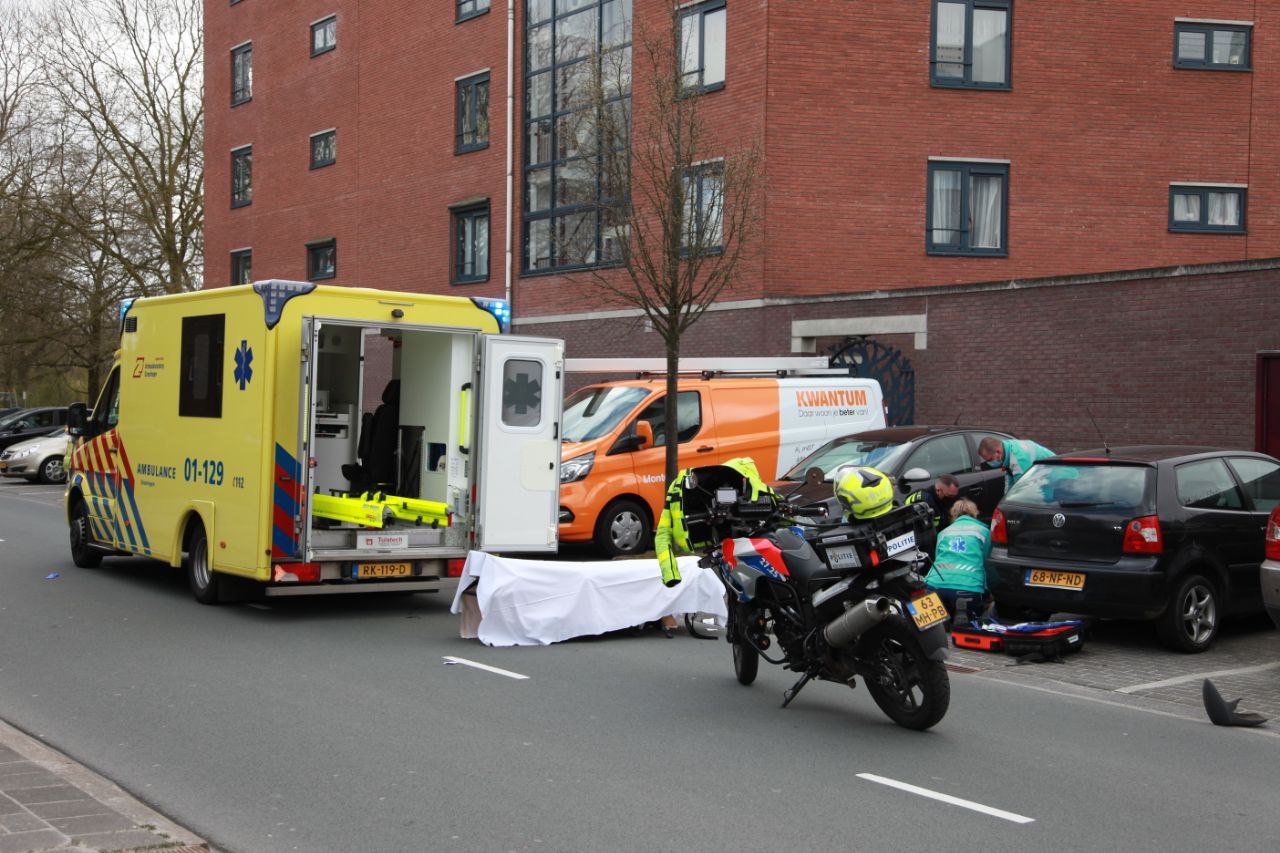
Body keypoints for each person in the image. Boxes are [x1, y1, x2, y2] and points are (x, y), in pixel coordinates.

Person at [655, 457, 775, 634]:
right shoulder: (684, 489)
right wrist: (670, 574)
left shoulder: (762, 492)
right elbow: (662, 534)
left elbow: (662, 535)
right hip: (729, 544)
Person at [924, 499, 991, 625]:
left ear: (953, 515)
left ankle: (942, 621)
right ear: (975, 514)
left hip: (935, 585)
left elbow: (937, 558)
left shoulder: (943, 533)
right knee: (973, 623)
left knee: (935, 626)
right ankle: (965, 613)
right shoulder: (984, 532)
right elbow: (988, 564)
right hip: (968, 586)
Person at [977, 436, 1055, 491]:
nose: (989, 463)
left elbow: (1021, 489)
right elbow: (1009, 479)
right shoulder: (1005, 448)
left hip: (1054, 474)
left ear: (998, 452)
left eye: (990, 459)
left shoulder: (1018, 459)